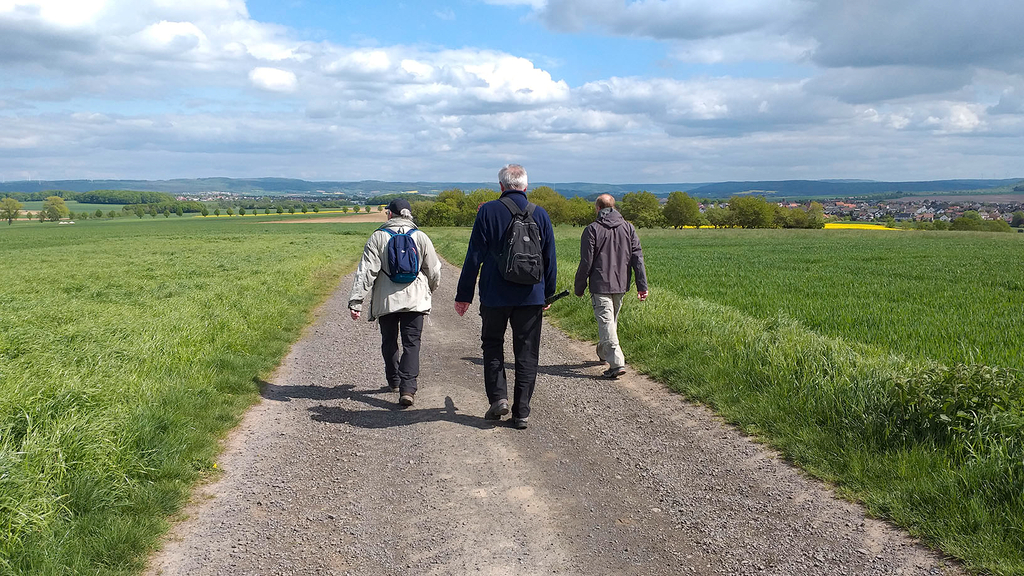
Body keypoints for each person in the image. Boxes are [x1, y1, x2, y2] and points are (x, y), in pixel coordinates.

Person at [454, 164, 557, 429]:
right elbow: (549, 259)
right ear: (525, 186)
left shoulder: (488, 211)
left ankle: (498, 398)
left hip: (495, 295)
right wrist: (547, 294)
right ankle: (521, 412)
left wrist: (464, 295)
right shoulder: (540, 214)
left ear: (501, 186)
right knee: (527, 353)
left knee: (492, 344)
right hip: (531, 295)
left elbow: (474, 256)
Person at [348, 199, 442, 406]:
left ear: (390, 214)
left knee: (389, 341)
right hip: (415, 300)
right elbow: (434, 270)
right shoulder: (420, 236)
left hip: (386, 300)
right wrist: (429, 290)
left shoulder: (378, 237)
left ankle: (394, 381)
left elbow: (366, 272)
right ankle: (408, 389)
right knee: (412, 343)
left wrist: (356, 301)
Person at [573, 193, 648, 378]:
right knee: (609, 322)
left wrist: (579, 287)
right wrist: (642, 285)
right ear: (614, 207)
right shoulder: (629, 228)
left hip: (600, 284)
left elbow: (586, 262)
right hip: (621, 283)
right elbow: (637, 258)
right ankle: (603, 351)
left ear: (598, 208)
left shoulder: (592, 229)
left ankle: (616, 364)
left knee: (607, 323)